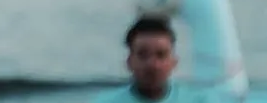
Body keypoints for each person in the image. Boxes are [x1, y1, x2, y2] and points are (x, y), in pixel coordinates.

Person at [93, 16, 228, 103]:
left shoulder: (200, 100)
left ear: (174, 62)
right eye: (143, 55)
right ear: (129, 61)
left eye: (161, 55)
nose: (153, 64)